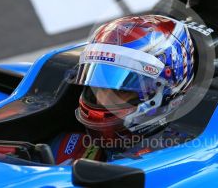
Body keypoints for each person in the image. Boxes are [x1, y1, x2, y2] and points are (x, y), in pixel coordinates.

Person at [51, 15, 196, 164]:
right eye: (98, 86)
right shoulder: (70, 149)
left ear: (167, 90)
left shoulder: (183, 155)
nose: (103, 100)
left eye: (122, 91)